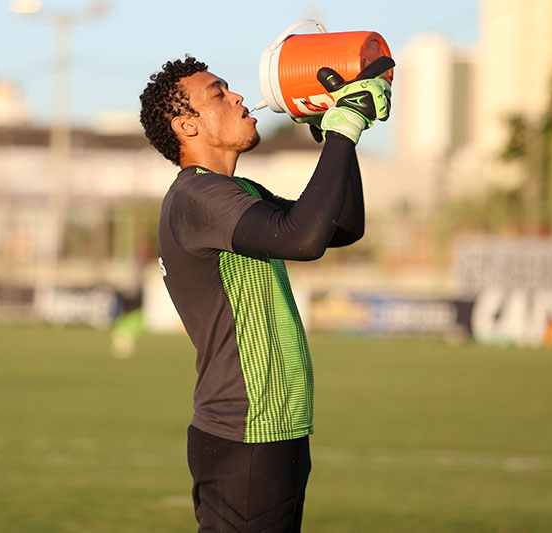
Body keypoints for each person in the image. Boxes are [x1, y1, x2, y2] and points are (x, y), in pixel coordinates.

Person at [139, 55, 390, 532]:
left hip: (273, 426)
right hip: (245, 429)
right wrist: (341, 131)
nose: (236, 96)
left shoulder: (233, 190)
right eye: (218, 93)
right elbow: (303, 240)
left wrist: (335, 138)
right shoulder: (199, 197)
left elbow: (341, 227)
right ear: (186, 126)